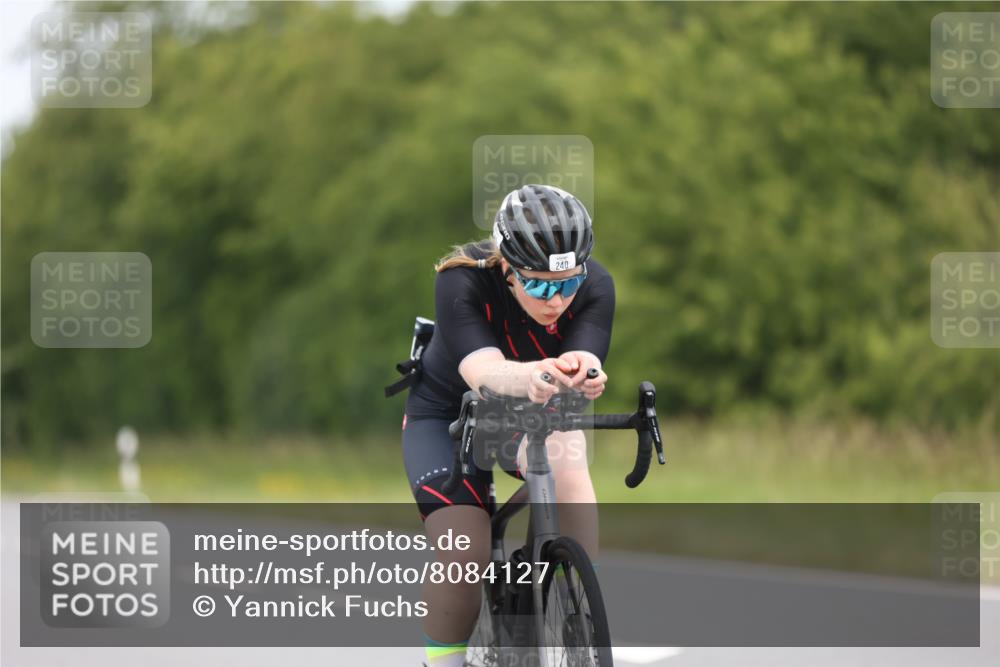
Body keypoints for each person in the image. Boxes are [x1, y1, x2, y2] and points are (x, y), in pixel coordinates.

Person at [400, 184, 615, 667]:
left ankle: (574, 597)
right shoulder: (462, 282)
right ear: (506, 267)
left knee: (570, 466)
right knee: (465, 552)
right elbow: (485, 373)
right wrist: (532, 374)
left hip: (527, 405)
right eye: (538, 284)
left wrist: (585, 370)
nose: (555, 300)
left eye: (567, 284)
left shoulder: (596, 284)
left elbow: (583, 352)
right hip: (447, 412)